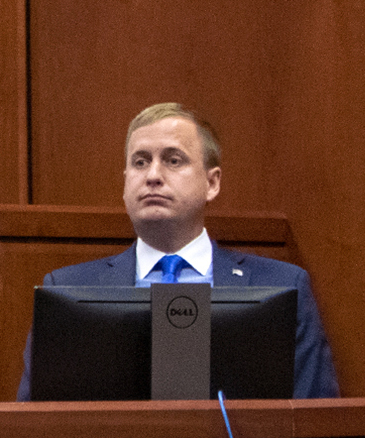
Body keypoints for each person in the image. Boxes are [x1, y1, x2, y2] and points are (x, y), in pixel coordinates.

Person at [19, 103, 338, 399]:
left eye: (173, 160)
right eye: (140, 162)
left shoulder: (283, 285)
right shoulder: (66, 290)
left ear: (212, 183)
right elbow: (35, 426)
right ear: (125, 181)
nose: (153, 176)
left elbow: (314, 424)